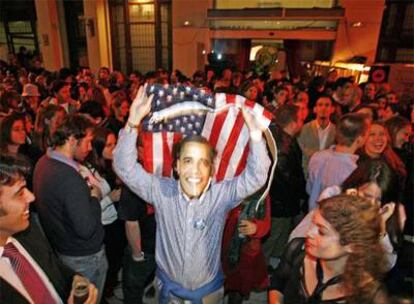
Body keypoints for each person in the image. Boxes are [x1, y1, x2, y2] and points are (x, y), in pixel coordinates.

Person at [113, 85, 271, 303]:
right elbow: (124, 168)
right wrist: (132, 123)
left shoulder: (221, 195)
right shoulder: (160, 190)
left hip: (207, 293)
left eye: (203, 163)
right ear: (176, 166)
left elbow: (256, 176)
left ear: (211, 170)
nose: (195, 170)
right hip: (168, 290)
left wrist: (255, 136)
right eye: (188, 161)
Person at [0, 155, 98, 304]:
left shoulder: (28, 231)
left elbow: (53, 266)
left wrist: (75, 279)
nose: (32, 197)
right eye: (19, 193)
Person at [33, 114, 107, 301]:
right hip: (84, 257)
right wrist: (94, 198)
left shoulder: (44, 162)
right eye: (88, 142)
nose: (90, 148)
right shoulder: (68, 177)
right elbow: (86, 228)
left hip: (64, 249)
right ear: (72, 140)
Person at [269, 194, 388, 304]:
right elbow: (278, 282)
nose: (309, 233)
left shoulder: (369, 294)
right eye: (313, 224)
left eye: (321, 231)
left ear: (352, 245)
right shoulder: (296, 250)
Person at [262, 104, 307, 267]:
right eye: (301, 119)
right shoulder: (283, 146)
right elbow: (287, 179)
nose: (302, 123)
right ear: (293, 123)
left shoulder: (276, 135)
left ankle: (269, 266)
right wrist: (301, 193)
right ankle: (261, 274)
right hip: (280, 203)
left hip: (277, 202)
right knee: (273, 237)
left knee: (275, 237)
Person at [307, 113, 369, 211]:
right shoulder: (353, 169)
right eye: (367, 134)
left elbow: (310, 189)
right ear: (359, 139)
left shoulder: (317, 156)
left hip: (312, 216)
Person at [298, 95, 336, 177]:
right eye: (320, 105)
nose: (323, 108)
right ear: (315, 109)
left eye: (327, 105)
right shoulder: (304, 129)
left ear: (332, 109)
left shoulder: (337, 132)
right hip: (307, 175)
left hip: (328, 176)